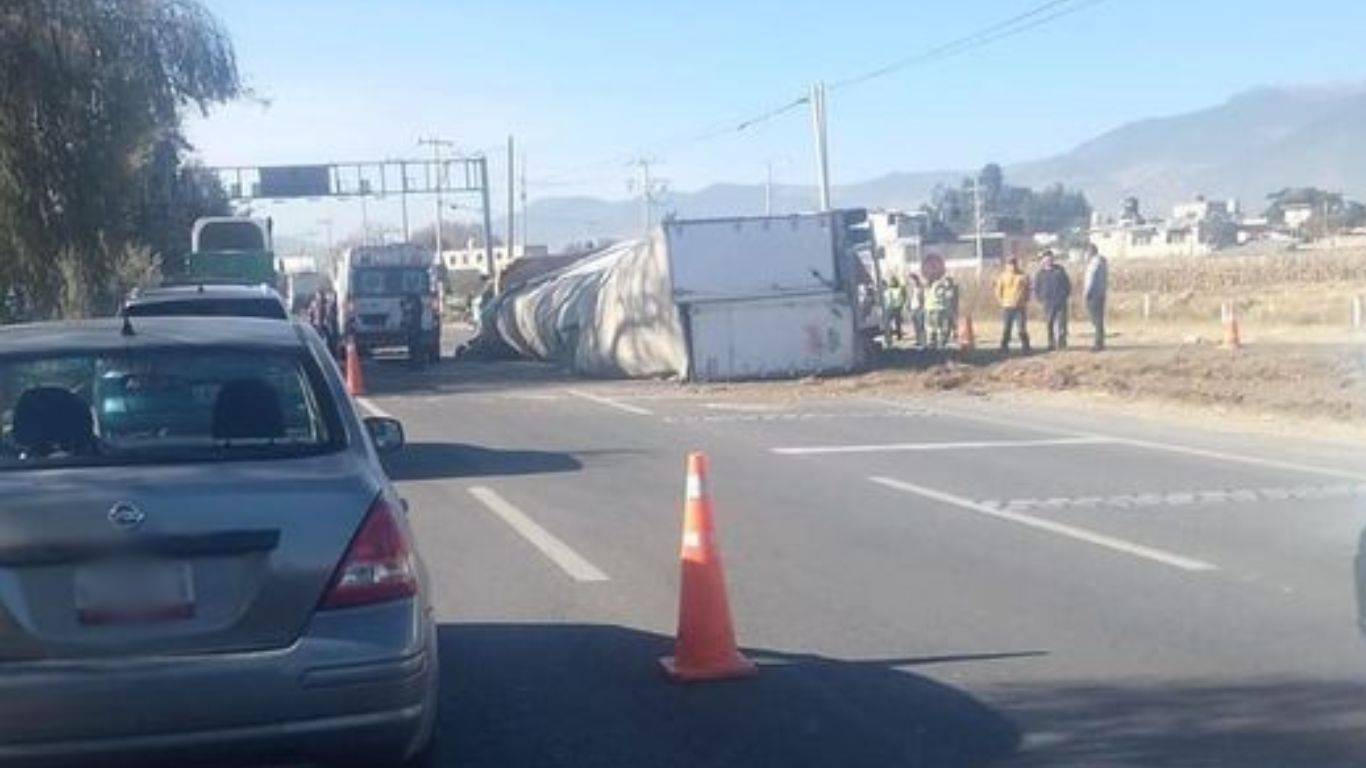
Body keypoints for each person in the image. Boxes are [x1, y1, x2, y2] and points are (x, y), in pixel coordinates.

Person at [1033, 250, 1071, 350]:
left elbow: (1067, 284)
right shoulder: (1040, 274)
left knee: (1062, 324)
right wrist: (1040, 298)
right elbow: (1036, 288)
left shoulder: (1060, 270)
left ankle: (1062, 343)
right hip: (1048, 303)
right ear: (1043, 261)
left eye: (1050, 259)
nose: (1048, 261)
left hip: (1060, 302)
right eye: (1046, 259)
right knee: (1049, 323)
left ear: (1053, 259)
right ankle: (1051, 343)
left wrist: (1065, 295)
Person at [994, 257, 1031, 352]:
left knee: (1021, 328)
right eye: (1010, 264)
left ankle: (1026, 346)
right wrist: (1001, 301)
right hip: (1007, 306)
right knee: (1007, 328)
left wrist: (1026, 300)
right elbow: (998, 291)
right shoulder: (1002, 276)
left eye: (1014, 264)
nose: (1012, 266)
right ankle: (1004, 347)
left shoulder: (1023, 276)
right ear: (1006, 265)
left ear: (1016, 264)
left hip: (1020, 306)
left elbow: (1028, 290)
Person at [1084, 244, 1109, 351]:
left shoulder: (1094, 264)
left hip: (1093, 294)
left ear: (1091, 252)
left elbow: (1091, 279)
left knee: (1096, 319)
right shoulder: (1103, 263)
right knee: (1099, 319)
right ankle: (1100, 342)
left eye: (1087, 252)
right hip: (1101, 293)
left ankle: (1098, 343)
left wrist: (1086, 293)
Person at [925, 273, 958, 349]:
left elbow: (942, 294)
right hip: (933, 308)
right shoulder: (935, 286)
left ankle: (938, 342)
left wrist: (947, 291)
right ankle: (934, 342)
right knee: (933, 327)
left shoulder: (937, 285)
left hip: (937, 309)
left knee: (938, 327)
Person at [883, 277, 906, 341]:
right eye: (891, 281)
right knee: (888, 322)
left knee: (897, 322)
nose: (892, 282)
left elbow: (903, 297)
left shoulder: (900, 289)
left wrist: (902, 305)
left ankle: (899, 335)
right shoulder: (889, 289)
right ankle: (889, 335)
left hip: (897, 307)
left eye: (893, 281)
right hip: (890, 307)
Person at [907, 273, 926, 348]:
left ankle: (923, 342)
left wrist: (923, 307)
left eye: (911, 280)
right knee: (915, 326)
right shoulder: (910, 288)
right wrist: (907, 306)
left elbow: (924, 298)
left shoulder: (921, 287)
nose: (910, 281)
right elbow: (908, 298)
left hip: (919, 308)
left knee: (921, 326)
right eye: (909, 280)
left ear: (915, 280)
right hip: (912, 309)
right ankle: (918, 341)